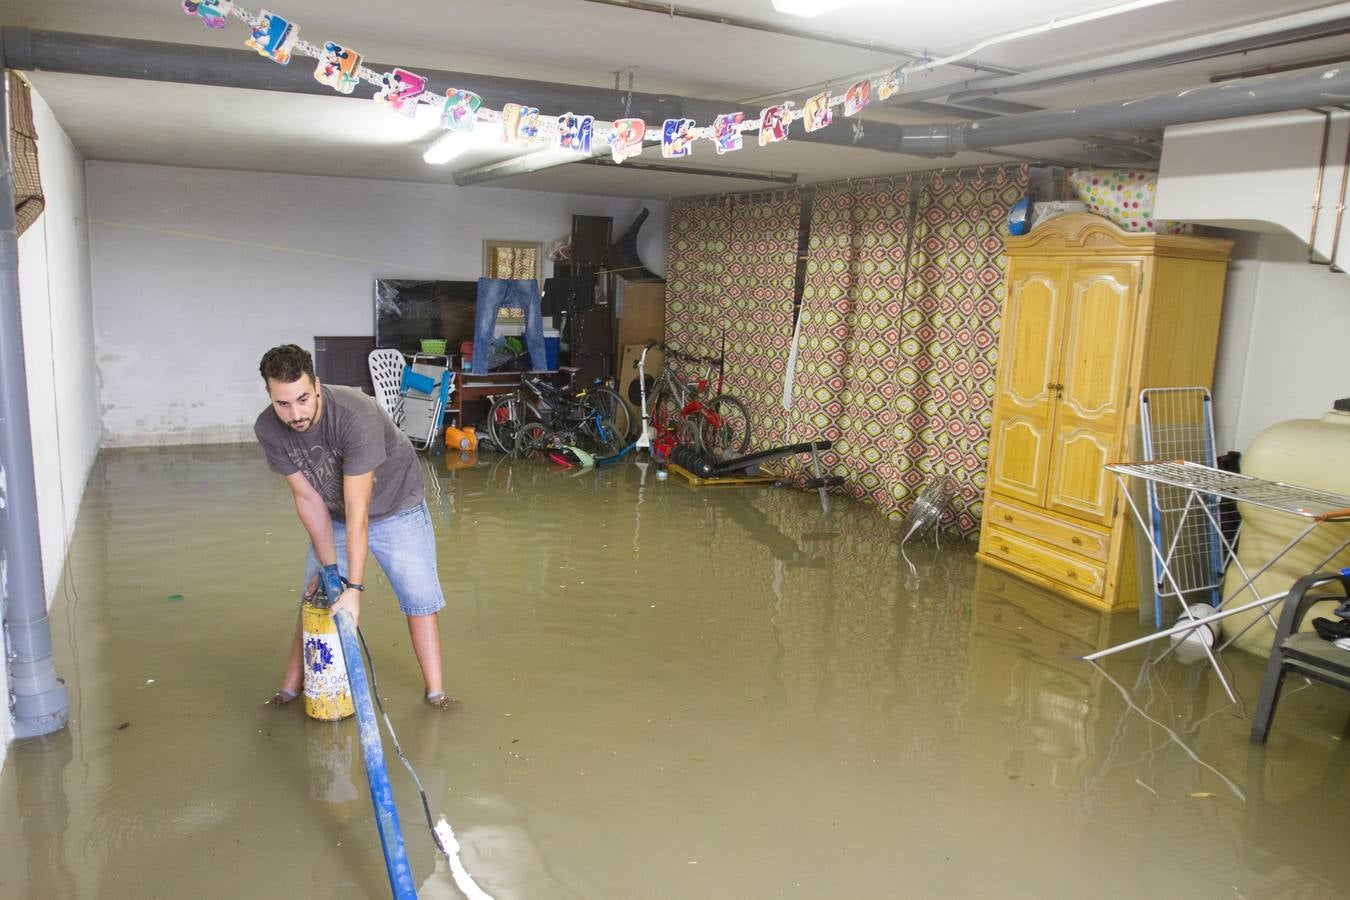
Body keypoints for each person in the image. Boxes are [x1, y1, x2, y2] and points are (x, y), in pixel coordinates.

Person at [254, 343, 454, 709]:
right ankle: (290, 688)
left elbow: (358, 507)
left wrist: (355, 589)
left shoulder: (353, 415)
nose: (295, 414)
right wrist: (331, 572)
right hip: (335, 513)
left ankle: (436, 693)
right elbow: (308, 500)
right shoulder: (269, 428)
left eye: (302, 399)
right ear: (270, 395)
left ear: (316, 385)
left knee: (420, 599)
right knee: (316, 595)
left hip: (396, 506)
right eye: (283, 403)